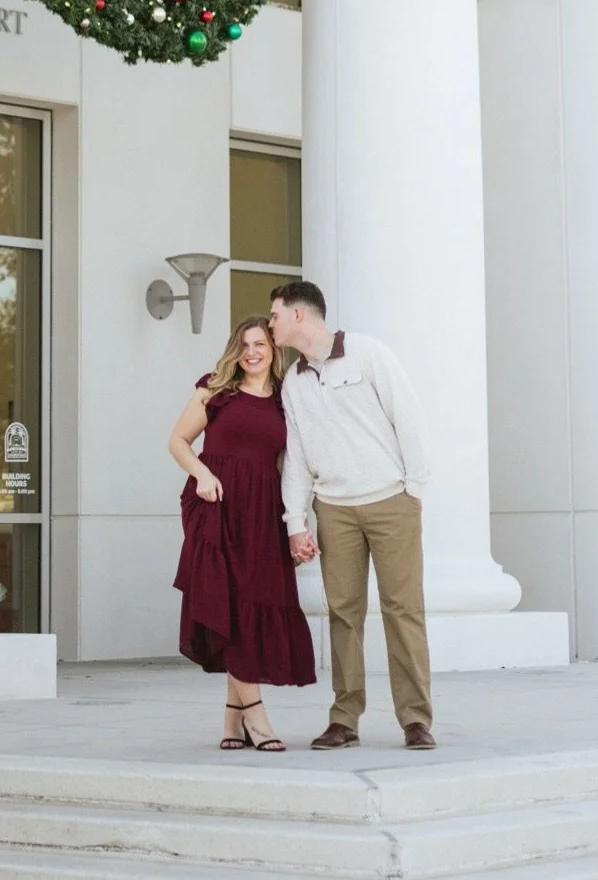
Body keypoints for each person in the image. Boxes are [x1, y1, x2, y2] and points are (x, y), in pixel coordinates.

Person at [268, 280, 435, 751]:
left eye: (275, 315)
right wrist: (295, 522)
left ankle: (416, 719)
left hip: (390, 502)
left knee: (403, 611)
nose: (271, 323)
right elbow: (296, 456)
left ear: (298, 315)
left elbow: (410, 418)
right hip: (334, 511)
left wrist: (413, 490)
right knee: (343, 613)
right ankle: (345, 719)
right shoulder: (294, 382)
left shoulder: (368, 354)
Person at [169, 315, 316, 751]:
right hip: (216, 507)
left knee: (250, 607)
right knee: (228, 603)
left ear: (274, 350)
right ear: (237, 348)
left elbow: (292, 467)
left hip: (262, 513)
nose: (253, 351)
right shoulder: (216, 389)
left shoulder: (285, 401)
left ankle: (232, 719)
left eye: (261, 344)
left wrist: (297, 523)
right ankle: (257, 716)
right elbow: (177, 440)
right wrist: (201, 475)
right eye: (246, 344)